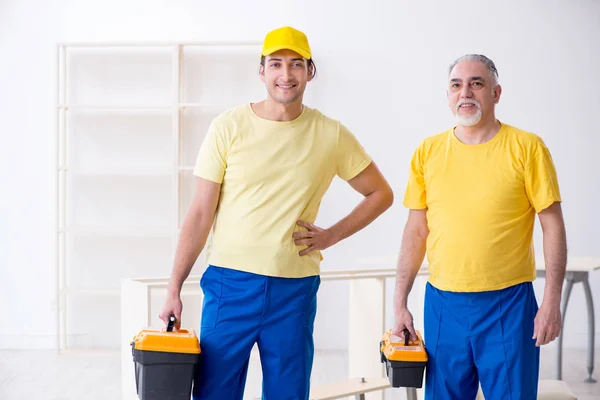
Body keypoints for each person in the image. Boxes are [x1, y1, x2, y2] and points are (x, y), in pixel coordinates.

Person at [159, 26, 394, 400]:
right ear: (262, 71)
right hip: (229, 284)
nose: (286, 75)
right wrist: (174, 287)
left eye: (296, 64)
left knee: (288, 394)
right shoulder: (228, 127)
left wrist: (331, 235)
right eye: (277, 64)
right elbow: (201, 213)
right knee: (214, 392)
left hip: (294, 288)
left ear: (310, 72)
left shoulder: (330, 134)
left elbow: (380, 194)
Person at [392, 54, 567, 400]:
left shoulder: (528, 148)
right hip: (443, 304)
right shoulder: (427, 152)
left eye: (477, 83)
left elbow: (553, 227)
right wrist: (399, 302)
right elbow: (415, 232)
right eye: (457, 85)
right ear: (448, 95)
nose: (466, 92)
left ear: (496, 93)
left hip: (509, 304)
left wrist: (551, 302)